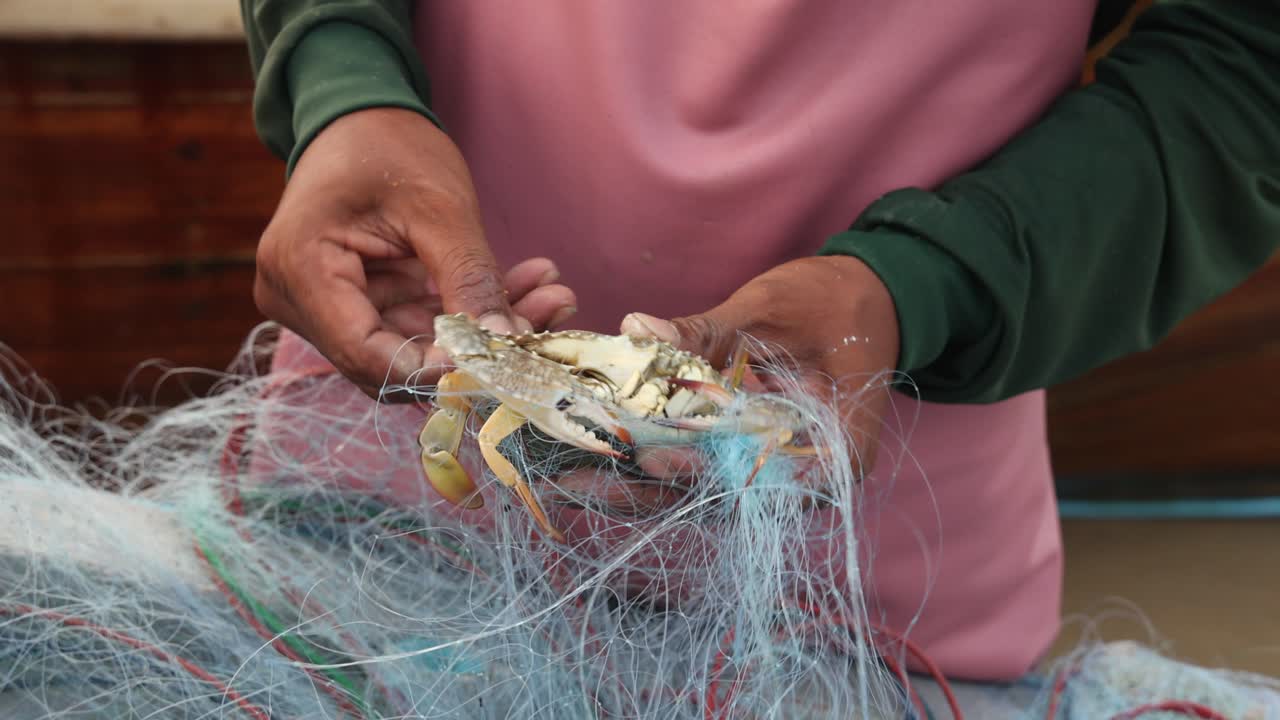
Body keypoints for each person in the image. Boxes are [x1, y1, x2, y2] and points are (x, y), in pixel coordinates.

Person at [238, 0, 1280, 685]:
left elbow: (1247, 61)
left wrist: (925, 285)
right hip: (370, 509)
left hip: (875, 598)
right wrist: (340, 85)